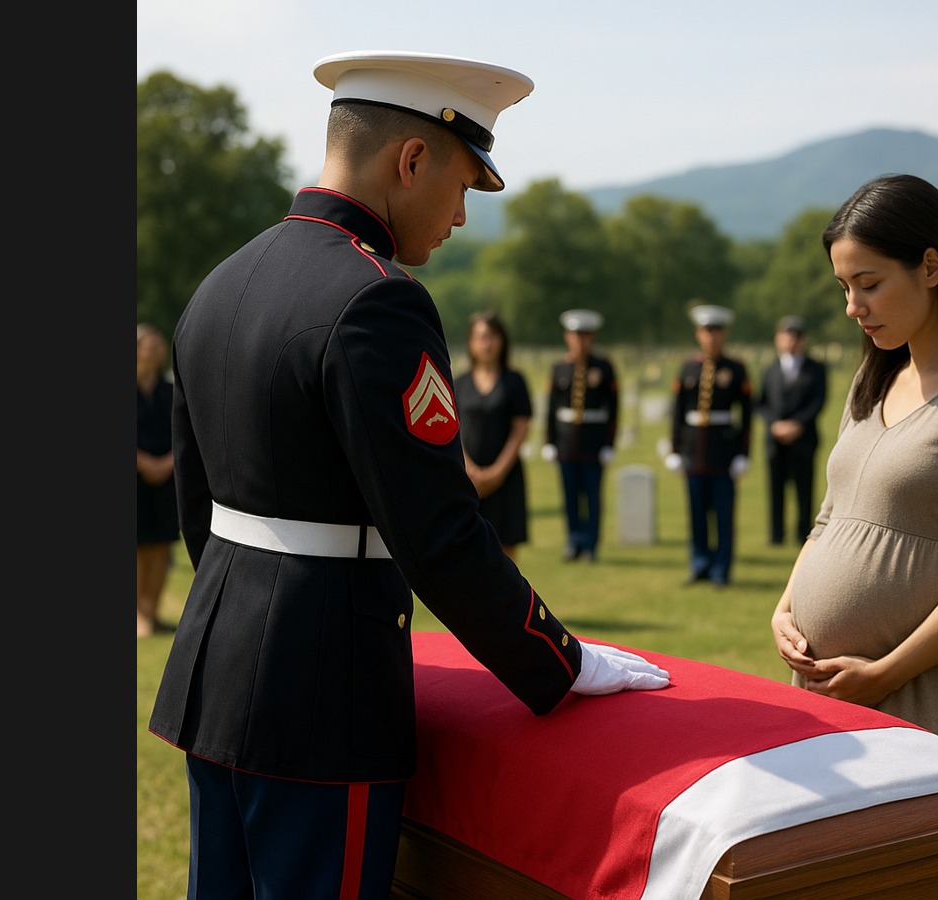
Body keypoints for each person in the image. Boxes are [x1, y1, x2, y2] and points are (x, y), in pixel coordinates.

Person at [148, 50, 670, 900]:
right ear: (412, 159)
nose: (462, 216)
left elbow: (200, 509)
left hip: (217, 681)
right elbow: (438, 533)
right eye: (464, 184)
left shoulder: (220, 283)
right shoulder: (375, 299)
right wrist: (559, 661)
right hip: (325, 700)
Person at [769, 173, 938, 771]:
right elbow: (830, 519)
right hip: (829, 693)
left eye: (869, 284)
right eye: (843, 287)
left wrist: (885, 673)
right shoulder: (875, 380)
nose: (851, 307)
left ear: (932, 268)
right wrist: (785, 609)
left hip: (929, 691)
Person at [664, 304, 752, 589]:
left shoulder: (736, 369)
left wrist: (743, 454)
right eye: (706, 331)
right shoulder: (688, 367)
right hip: (694, 453)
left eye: (716, 331)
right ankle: (699, 563)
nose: (711, 337)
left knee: (723, 516)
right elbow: (677, 413)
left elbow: (746, 416)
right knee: (697, 513)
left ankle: (720, 570)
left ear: (724, 334)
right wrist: (675, 449)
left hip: (723, 454)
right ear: (698, 334)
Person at [541, 308, 619, 562]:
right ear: (567, 337)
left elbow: (613, 409)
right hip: (565, 442)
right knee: (570, 495)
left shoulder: (604, 367)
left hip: (593, 442)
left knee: (592, 496)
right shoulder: (559, 368)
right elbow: (551, 408)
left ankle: (590, 545)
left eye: (585, 335)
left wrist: (609, 443)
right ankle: (573, 541)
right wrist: (549, 441)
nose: (580, 340)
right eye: (575, 335)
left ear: (592, 337)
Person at [452, 310, 532, 560]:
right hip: (468, 478)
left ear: (502, 340)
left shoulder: (515, 381)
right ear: (470, 342)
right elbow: (451, 427)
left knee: (505, 552)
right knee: (467, 549)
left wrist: (497, 472)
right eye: (480, 337)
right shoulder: (460, 383)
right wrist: (470, 468)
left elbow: (520, 428)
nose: (486, 343)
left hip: (506, 477)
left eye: (491, 336)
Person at [755, 315, 827, 546]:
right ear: (778, 338)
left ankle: (802, 533)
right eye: (786, 335)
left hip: (803, 438)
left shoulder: (815, 368)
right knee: (775, 489)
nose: (791, 340)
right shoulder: (770, 369)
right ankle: (776, 535)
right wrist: (774, 423)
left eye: (796, 336)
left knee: (804, 488)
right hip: (775, 439)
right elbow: (761, 402)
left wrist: (797, 424)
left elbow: (818, 400)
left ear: (803, 339)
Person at [136, 322, 178, 638]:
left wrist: (167, 463)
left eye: (158, 345)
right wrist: (145, 462)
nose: (156, 351)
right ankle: (139, 616)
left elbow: (183, 430)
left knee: (161, 546)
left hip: (166, 478)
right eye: (150, 345)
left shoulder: (170, 390)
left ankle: (153, 612)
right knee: (139, 547)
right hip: (136, 479)